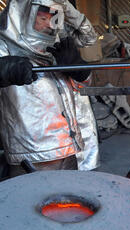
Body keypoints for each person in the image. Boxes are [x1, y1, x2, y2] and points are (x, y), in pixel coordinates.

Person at [0, 0, 100, 177]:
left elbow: (82, 85)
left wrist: (78, 69)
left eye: (53, 18)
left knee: (70, 200)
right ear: (23, 15)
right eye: (42, 17)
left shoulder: (56, 46)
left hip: (69, 149)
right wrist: (5, 70)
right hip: (32, 156)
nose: (48, 24)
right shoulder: (4, 45)